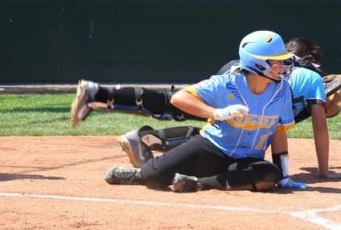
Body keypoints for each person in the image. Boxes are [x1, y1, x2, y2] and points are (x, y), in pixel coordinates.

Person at [70, 37, 341, 178]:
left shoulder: (276, 65)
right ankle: (137, 132)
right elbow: (320, 127)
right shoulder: (306, 76)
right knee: (211, 122)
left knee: (175, 106)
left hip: (235, 74)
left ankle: (117, 111)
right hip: (245, 89)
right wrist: (322, 171)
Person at [103, 30, 305, 193]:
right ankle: (138, 175)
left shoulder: (282, 90)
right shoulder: (226, 83)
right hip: (213, 147)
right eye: (275, 60)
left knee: (269, 175)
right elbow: (179, 98)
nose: (282, 66)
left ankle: (198, 183)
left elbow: (279, 131)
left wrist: (285, 175)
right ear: (256, 62)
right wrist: (216, 113)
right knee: (152, 177)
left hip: (247, 159)